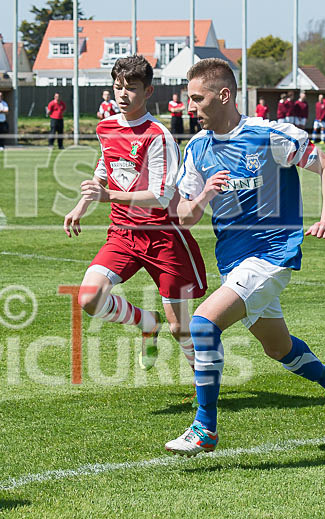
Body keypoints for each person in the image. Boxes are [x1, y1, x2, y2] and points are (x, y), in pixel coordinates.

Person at [164, 58, 325, 457]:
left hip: (272, 254)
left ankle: (205, 428)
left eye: (197, 98)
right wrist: (204, 195)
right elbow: (184, 216)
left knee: (202, 326)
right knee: (278, 348)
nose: (190, 106)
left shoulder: (270, 135)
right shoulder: (197, 148)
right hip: (233, 261)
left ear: (224, 95)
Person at [63, 55, 207, 374]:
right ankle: (146, 322)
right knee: (88, 297)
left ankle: (205, 392)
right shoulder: (106, 128)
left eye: (131, 88)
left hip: (163, 238)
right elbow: (105, 169)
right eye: (118, 87)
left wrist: (107, 196)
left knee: (180, 329)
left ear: (148, 91)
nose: (123, 94)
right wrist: (81, 205)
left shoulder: (158, 136)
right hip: (123, 235)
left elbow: (161, 196)